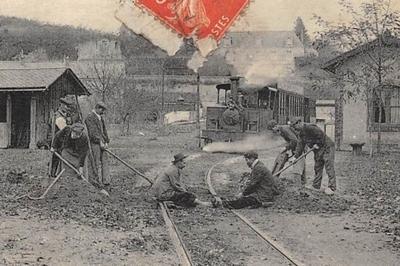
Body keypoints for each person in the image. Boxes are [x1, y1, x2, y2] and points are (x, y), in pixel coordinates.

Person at [289, 119, 336, 195]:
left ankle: (332, 187)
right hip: (317, 150)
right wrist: (295, 157)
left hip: (327, 147)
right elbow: (300, 146)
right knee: (317, 167)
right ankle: (316, 186)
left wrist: (317, 143)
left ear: (299, 123)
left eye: (295, 127)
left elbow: (321, 135)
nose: (295, 129)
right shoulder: (301, 134)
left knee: (329, 167)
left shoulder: (310, 127)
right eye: (293, 128)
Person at [267, 120, 306, 184]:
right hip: (297, 146)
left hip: (300, 146)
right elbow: (291, 141)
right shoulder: (281, 130)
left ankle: (298, 185)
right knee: (300, 162)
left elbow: (294, 140)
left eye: (272, 129)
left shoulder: (284, 129)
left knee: (298, 164)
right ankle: (303, 182)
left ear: (275, 126)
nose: (272, 131)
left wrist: (286, 148)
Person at [85, 102, 110, 187]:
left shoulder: (100, 117)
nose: (103, 112)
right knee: (94, 162)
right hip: (94, 143)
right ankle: (94, 181)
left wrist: (106, 141)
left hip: (102, 143)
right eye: (102, 110)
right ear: (98, 108)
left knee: (105, 161)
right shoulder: (90, 117)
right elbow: (92, 133)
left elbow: (104, 130)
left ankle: (106, 181)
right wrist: (99, 141)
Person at [49, 96, 75, 177]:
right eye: (66, 106)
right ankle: (53, 174)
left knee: (59, 158)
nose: (67, 108)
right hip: (58, 141)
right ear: (61, 105)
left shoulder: (65, 116)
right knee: (56, 158)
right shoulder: (58, 117)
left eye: (68, 106)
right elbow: (64, 129)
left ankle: (58, 173)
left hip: (62, 140)